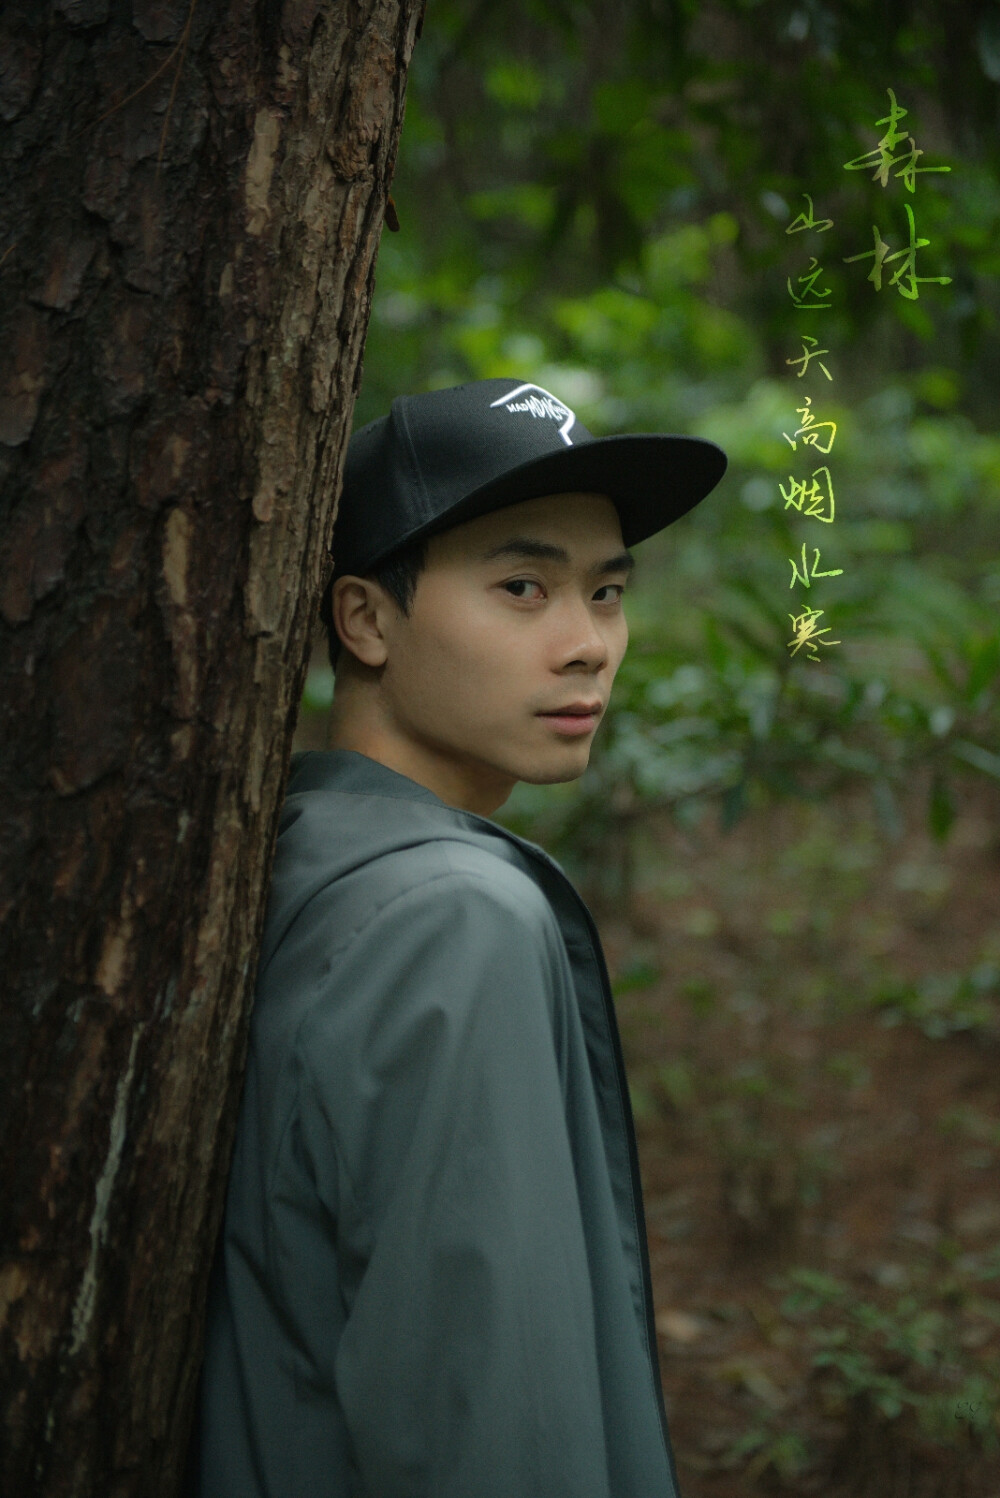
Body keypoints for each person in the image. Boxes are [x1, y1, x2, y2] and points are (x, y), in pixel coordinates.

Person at [191, 378, 727, 1498]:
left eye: (607, 590)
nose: (588, 645)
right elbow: (488, 1415)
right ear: (366, 618)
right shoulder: (453, 919)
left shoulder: (293, 853)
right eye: (522, 586)